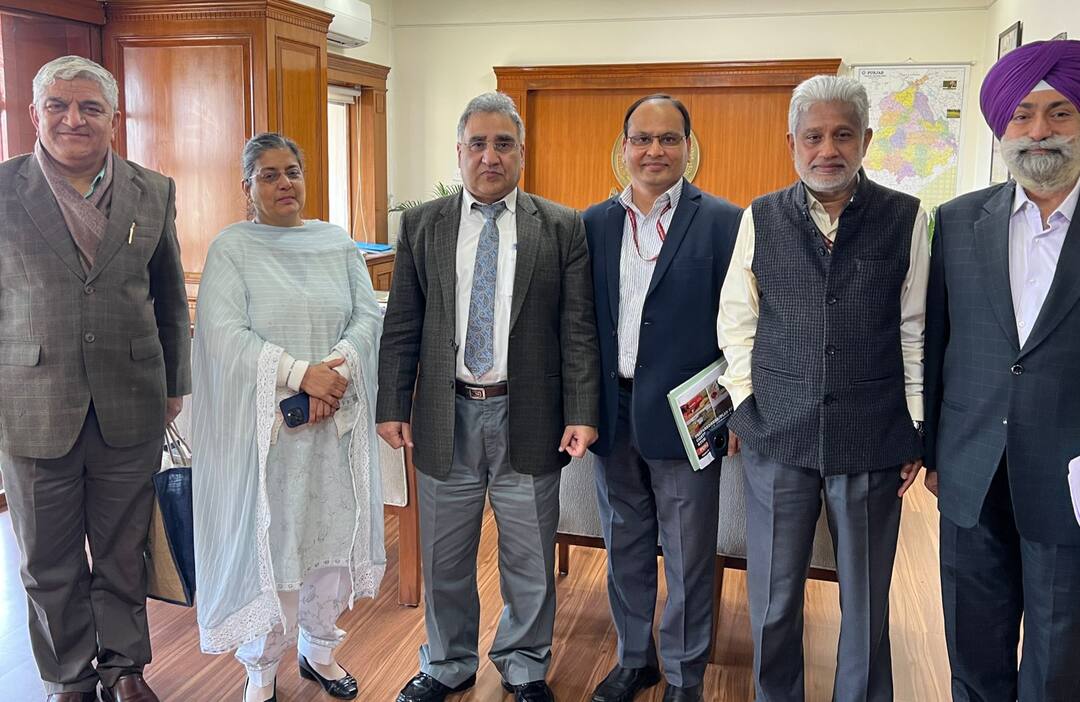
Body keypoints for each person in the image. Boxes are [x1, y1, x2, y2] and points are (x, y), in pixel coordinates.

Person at [376, 92, 600, 702]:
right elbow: (402, 324)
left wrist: (582, 412)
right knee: (444, 556)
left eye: (503, 144)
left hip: (529, 415)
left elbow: (578, 329)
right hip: (444, 414)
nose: (490, 156)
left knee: (529, 556)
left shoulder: (561, 226)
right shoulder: (422, 225)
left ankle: (524, 665)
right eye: (478, 143)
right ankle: (447, 664)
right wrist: (392, 404)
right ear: (460, 152)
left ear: (521, 152)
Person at [717, 74, 929, 702]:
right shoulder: (761, 217)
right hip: (777, 432)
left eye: (842, 135)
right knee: (773, 597)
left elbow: (914, 328)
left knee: (865, 602)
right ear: (792, 143)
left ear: (866, 139)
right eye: (813, 137)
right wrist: (745, 404)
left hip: (873, 433)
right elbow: (738, 320)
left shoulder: (905, 217)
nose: (827, 150)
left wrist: (915, 424)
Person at [0, 55, 189, 702]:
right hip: (29, 403)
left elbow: (169, 297)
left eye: (90, 107)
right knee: (46, 559)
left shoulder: (152, 190)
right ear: (34, 115)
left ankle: (125, 668)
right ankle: (69, 677)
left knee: (123, 549)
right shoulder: (3, 190)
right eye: (58, 105)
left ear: (114, 117)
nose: (73, 119)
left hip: (131, 400)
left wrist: (175, 384)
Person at [191, 133, 385, 702]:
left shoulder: (335, 241)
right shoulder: (232, 248)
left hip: (332, 427)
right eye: (269, 175)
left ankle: (319, 651)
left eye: (292, 172)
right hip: (269, 434)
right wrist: (302, 375)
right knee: (273, 546)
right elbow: (225, 334)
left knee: (328, 538)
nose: (284, 184)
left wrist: (334, 372)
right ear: (246, 186)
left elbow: (365, 315)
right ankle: (260, 671)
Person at [924, 39, 1080, 701]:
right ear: (1000, 127)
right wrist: (933, 453)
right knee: (973, 644)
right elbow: (939, 343)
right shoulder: (958, 220)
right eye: (1022, 115)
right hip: (971, 469)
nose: (1039, 131)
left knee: (1059, 657)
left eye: (1060, 113)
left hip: (1070, 477)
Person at [582, 94, 741, 702]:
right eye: (642, 139)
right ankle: (634, 659)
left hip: (688, 417)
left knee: (688, 554)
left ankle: (683, 675)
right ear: (624, 148)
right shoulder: (594, 223)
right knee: (624, 545)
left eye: (669, 138)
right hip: (613, 412)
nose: (655, 150)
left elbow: (742, 324)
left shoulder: (724, 221)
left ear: (687, 147)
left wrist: (736, 406)